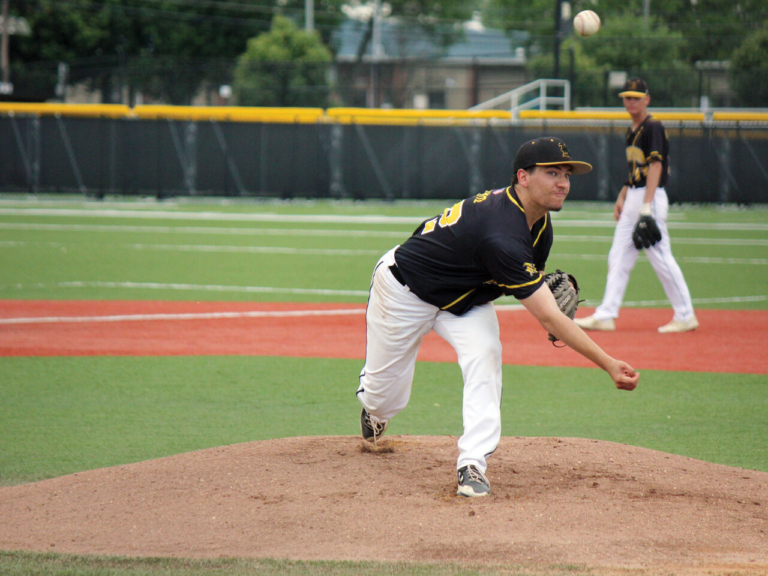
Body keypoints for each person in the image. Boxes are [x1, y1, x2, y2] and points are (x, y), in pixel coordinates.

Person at [356, 136, 640, 498]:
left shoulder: (539, 226)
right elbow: (550, 319)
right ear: (523, 177)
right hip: (404, 290)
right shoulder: (502, 231)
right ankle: (375, 413)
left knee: (486, 353)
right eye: (552, 172)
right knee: (384, 397)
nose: (563, 183)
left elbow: (515, 278)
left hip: (467, 299)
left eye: (567, 174)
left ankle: (471, 463)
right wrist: (609, 364)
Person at [575, 78, 698, 334]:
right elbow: (635, 169)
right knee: (618, 256)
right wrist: (623, 196)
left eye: (635, 97)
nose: (630, 101)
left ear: (646, 100)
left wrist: (646, 206)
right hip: (634, 194)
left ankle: (685, 315)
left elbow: (655, 165)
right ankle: (606, 314)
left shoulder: (652, 126)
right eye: (627, 97)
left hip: (648, 197)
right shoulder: (633, 128)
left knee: (661, 257)